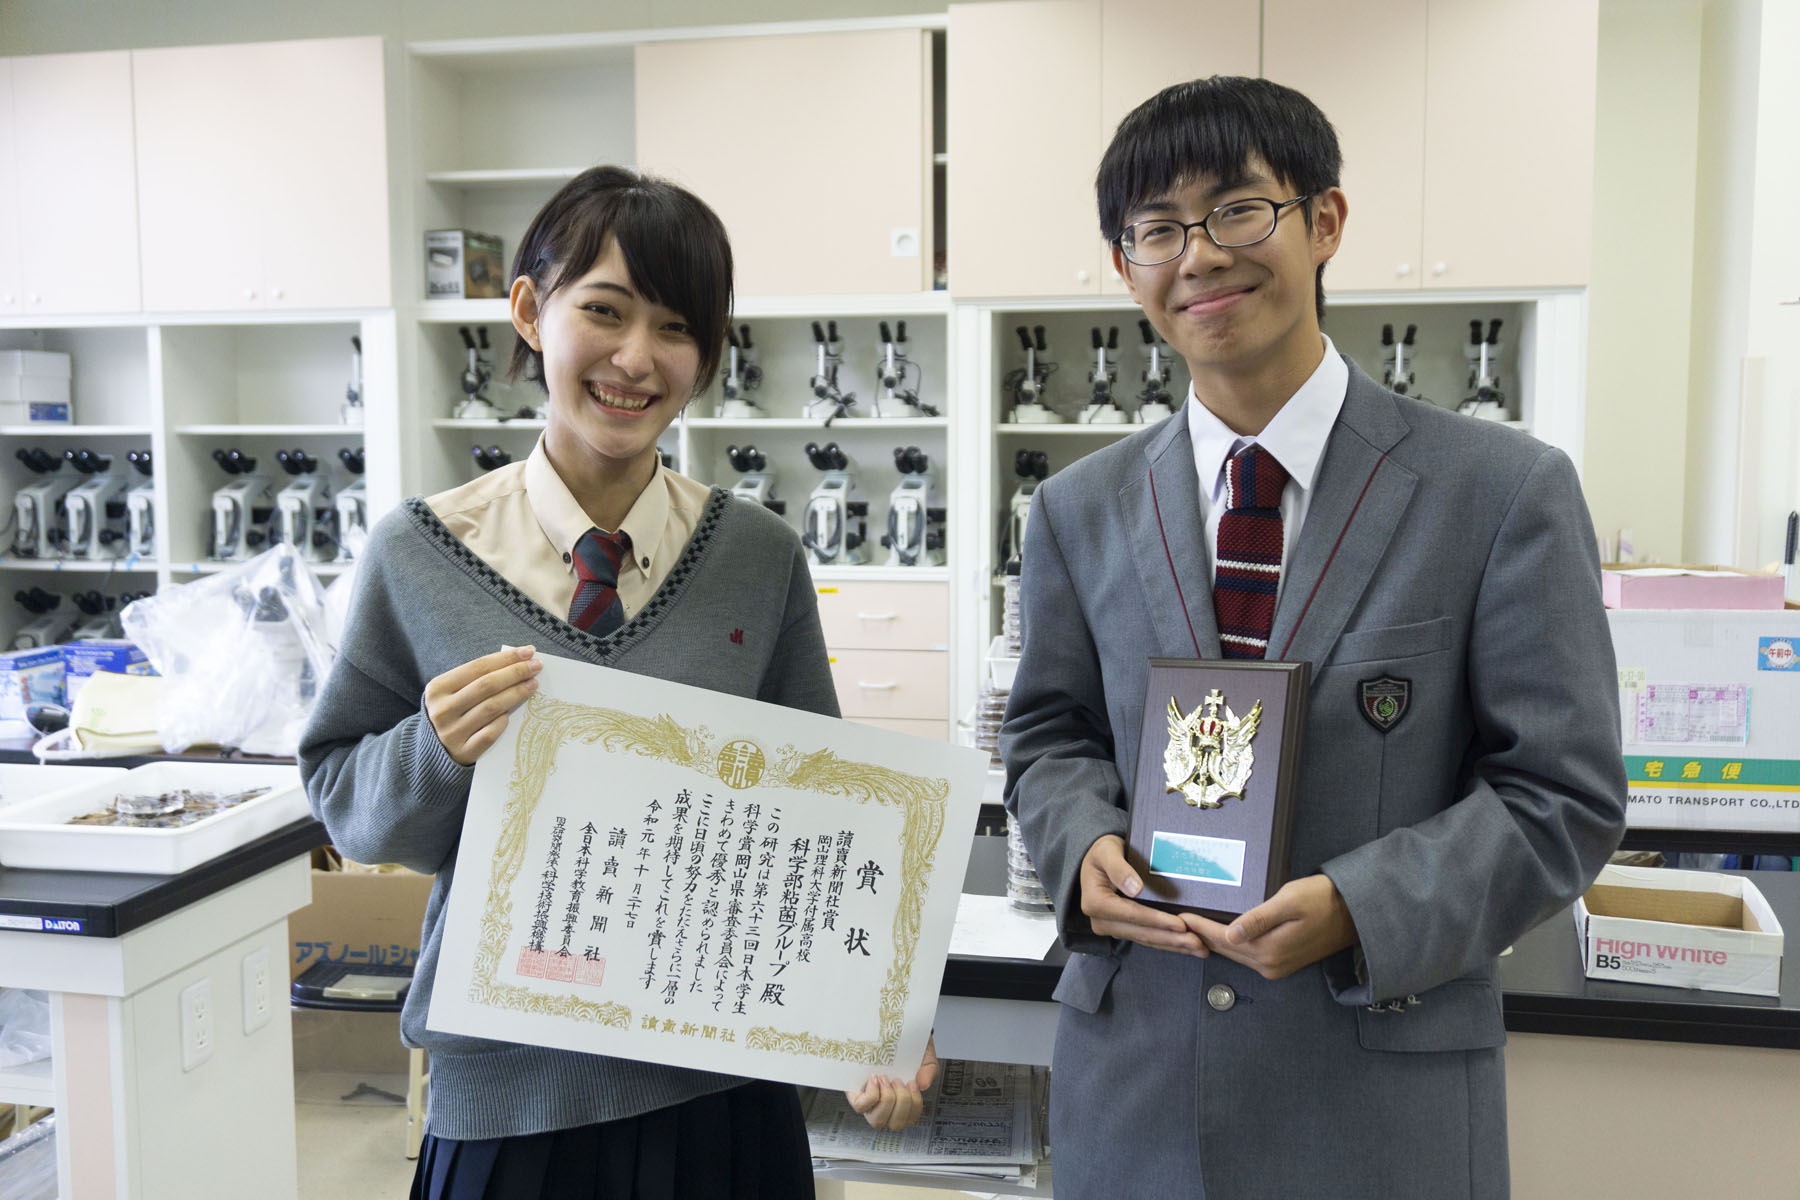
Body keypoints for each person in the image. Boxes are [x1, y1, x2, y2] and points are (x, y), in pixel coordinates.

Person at [1001, 77, 1627, 1198]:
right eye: (1156, 228)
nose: (1198, 255)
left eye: (1237, 210)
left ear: (1323, 221)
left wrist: (1360, 906)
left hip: (1377, 1106)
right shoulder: (1076, 510)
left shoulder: (1498, 493)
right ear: (1124, 266)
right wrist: (1079, 842)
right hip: (1137, 1088)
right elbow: (1050, 735)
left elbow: (1561, 795)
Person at [300, 166, 934, 1200]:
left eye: (677, 328)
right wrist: (435, 748)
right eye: (603, 311)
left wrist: (882, 1023)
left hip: (721, 1096)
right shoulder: (418, 553)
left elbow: (831, 808)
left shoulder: (756, 556)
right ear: (528, 311)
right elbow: (347, 805)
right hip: (510, 1097)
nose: (637, 360)